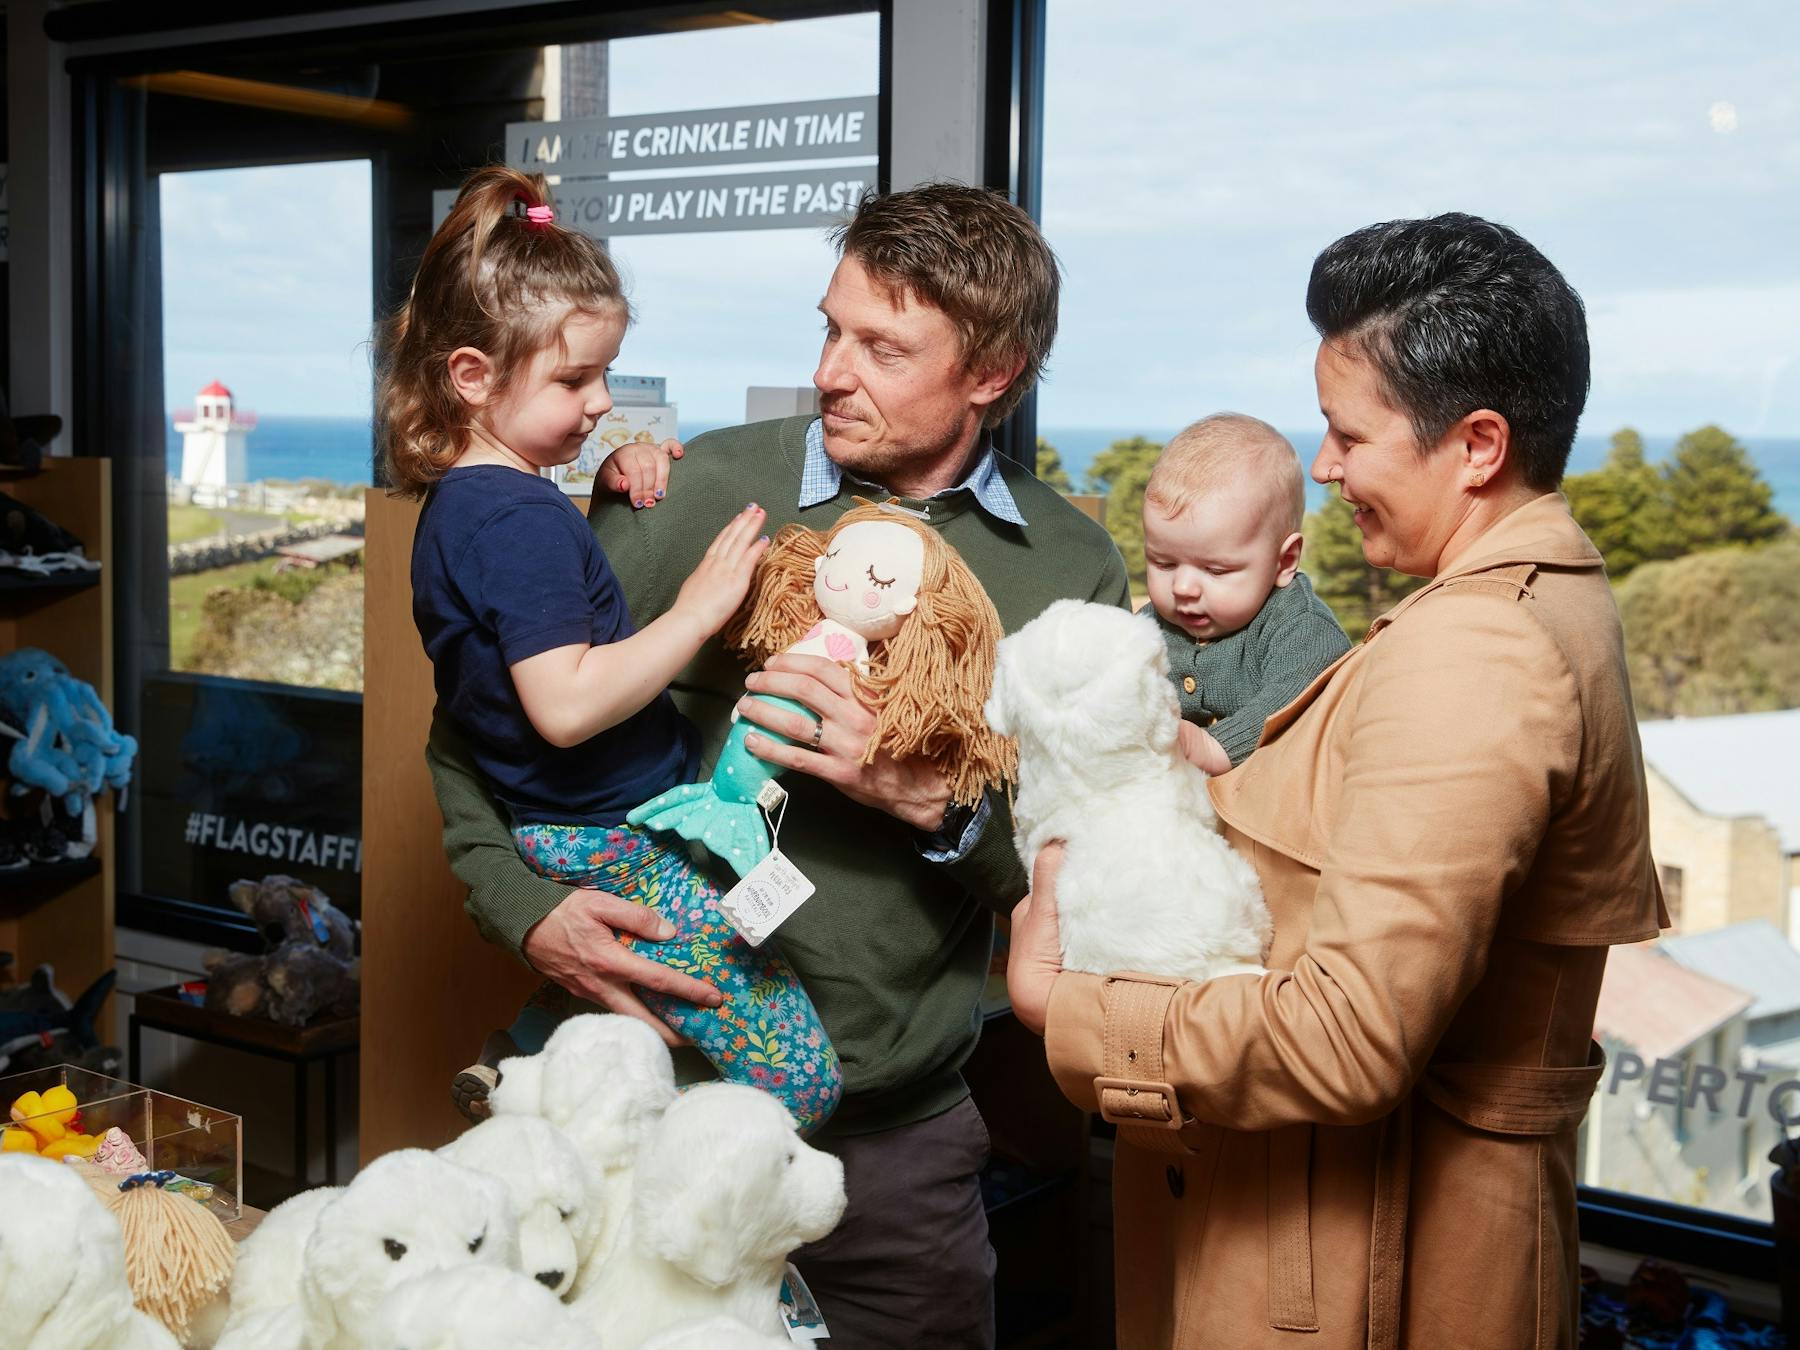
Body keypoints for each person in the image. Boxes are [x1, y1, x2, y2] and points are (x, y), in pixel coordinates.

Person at [426, 181, 1130, 1346]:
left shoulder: (1072, 569)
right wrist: (524, 910)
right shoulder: (693, 488)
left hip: (886, 1148)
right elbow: (475, 731)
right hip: (643, 1109)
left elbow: (1084, 884)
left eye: (881, 347)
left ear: (992, 371)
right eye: (830, 327)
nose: (829, 371)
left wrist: (927, 800)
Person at [1007, 213, 1665, 1349]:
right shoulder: (1547, 600)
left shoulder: (1479, 649)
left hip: (1368, 1260)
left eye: (1346, 435)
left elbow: (1348, 1036)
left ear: (1477, 446)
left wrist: (1064, 1008)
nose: (1325, 466)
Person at [381, 165, 842, 1135]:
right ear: (472, 374)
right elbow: (566, 703)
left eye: (605, 374)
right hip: (614, 837)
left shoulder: (469, 504)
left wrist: (612, 472)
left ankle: (539, 1070)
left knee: (656, 1010)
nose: (598, 403)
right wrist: (698, 611)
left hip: (570, 827)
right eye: (574, 379)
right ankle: (534, 1083)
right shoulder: (516, 520)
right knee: (801, 1080)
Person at [1141, 413, 1349, 776]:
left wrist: (1216, 744)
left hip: (1262, 806)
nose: (1182, 588)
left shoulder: (1299, 628)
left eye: (1216, 570)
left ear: (1283, 561)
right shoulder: (1149, 626)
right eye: (1163, 563)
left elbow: (1296, 693)